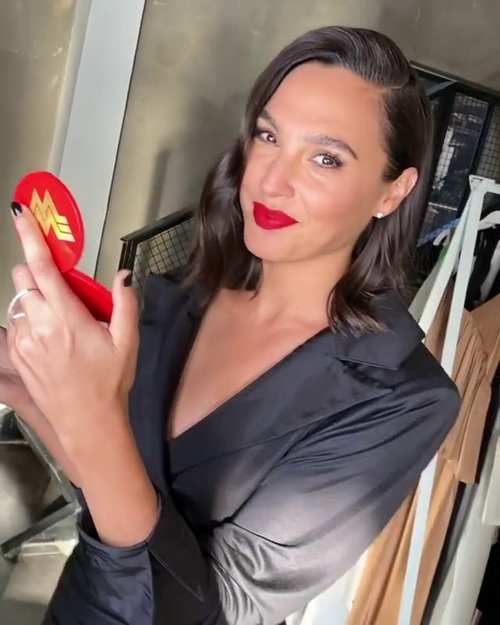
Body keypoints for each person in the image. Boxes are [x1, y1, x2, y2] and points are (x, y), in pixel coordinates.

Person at [1, 26, 460, 625]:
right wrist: (29, 392)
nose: (271, 180)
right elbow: (106, 486)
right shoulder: (175, 301)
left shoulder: (402, 398)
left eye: (325, 158)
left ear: (393, 192)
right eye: (268, 136)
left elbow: (223, 609)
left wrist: (95, 415)